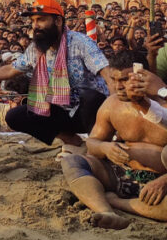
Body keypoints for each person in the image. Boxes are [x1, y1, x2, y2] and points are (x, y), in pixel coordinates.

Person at [0, 0, 108, 154]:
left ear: (57, 21)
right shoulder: (35, 49)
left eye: (41, 20)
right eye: (33, 21)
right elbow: (10, 70)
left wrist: (118, 104)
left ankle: (96, 147)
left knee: (92, 96)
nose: (35, 26)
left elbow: (106, 72)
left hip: (92, 114)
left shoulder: (80, 42)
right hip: (61, 111)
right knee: (15, 116)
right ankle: (71, 140)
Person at [60, 52, 167, 229]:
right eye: (114, 80)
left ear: (143, 77)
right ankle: (105, 210)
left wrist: (164, 181)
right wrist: (105, 147)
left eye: (125, 80)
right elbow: (92, 143)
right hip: (121, 173)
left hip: (160, 181)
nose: (118, 86)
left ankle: (116, 203)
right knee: (73, 161)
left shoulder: (162, 105)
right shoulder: (112, 105)